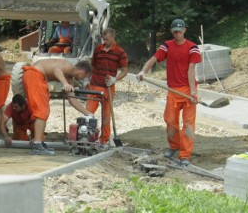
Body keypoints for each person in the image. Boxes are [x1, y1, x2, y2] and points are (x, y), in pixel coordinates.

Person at [136, 19, 202, 166]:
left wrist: (193, 92)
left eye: (180, 31)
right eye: (175, 32)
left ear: (185, 30)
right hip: (172, 90)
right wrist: (143, 71)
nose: (177, 34)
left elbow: (191, 70)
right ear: (172, 32)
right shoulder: (167, 46)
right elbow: (153, 59)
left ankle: (185, 156)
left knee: (188, 125)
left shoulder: (192, 48)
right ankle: (174, 146)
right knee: (170, 121)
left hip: (188, 90)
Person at [22, 59, 93, 155]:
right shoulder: (68, 66)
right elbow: (56, 70)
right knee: (41, 111)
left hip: (37, 77)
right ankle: (37, 145)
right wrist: (65, 84)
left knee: (42, 111)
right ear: (83, 71)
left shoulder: (69, 78)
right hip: (34, 75)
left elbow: (72, 99)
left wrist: (88, 113)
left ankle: (38, 141)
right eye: (85, 77)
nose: (83, 79)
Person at [86, 27, 128, 146]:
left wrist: (115, 79)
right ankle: (88, 137)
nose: (105, 42)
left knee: (106, 115)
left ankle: (104, 140)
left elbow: (124, 71)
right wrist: (89, 77)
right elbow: (92, 65)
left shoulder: (120, 52)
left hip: (108, 87)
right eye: (103, 39)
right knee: (88, 113)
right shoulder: (98, 49)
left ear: (113, 38)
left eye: (107, 39)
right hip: (94, 86)